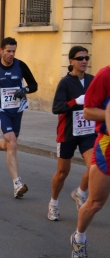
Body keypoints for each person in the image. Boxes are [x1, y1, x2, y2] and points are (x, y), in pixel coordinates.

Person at [0, 37, 38, 199]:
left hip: (17, 109)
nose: (11, 54)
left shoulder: (20, 65)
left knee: (10, 144)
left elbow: (34, 85)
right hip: (0, 109)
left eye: (13, 51)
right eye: (8, 51)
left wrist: (24, 90)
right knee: (12, 143)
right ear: (1, 51)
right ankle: (17, 184)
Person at [48, 46, 95, 221]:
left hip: (88, 131)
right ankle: (53, 202)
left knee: (94, 167)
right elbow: (56, 108)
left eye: (86, 58)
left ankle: (80, 191)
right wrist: (76, 101)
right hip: (68, 132)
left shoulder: (92, 80)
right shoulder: (65, 83)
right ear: (71, 61)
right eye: (80, 58)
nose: (84, 61)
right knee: (62, 172)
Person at [70, 65, 110, 258]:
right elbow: (88, 112)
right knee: (95, 203)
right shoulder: (106, 75)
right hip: (107, 146)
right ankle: (79, 238)